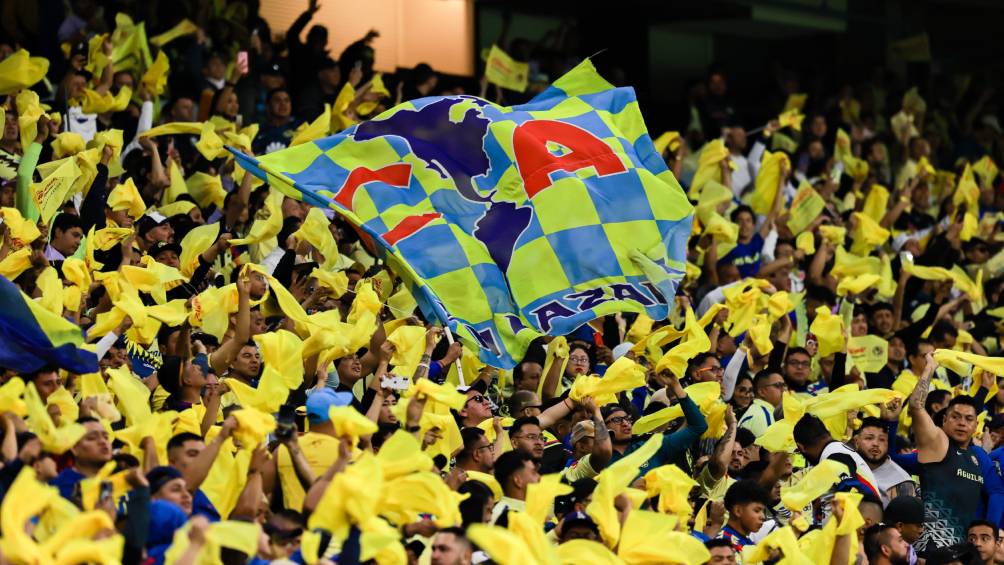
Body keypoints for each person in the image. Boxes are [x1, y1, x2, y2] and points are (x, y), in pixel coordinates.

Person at [909, 354, 1004, 550]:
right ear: (944, 420)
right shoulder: (937, 444)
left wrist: (990, 532)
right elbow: (916, 406)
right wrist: (929, 369)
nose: (962, 423)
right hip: (931, 552)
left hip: (963, 553)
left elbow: (997, 492)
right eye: (955, 417)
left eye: (969, 419)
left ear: (976, 425)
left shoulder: (978, 457)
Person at [853, 416, 916, 505]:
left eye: (882, 439)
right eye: (869, 438)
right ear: (856, 441)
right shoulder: (844, 466)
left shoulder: (900, 481)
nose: (876, 444)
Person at [717, 479, 770, 555]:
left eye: (763, 511)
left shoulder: (749, 543)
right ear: (738, 511)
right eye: (757, 511)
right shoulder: (723, 545)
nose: (763, 517)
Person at [491, 449, 540, 523]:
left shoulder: (527, 511)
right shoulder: (502, 517)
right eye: (533, 473)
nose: (539, 478)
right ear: (518, 481)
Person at [738, 370, 784, 437]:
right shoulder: (762, 416)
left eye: (784, 385)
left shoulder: (759, 411)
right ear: (761, 392)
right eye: (778, 385)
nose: (784, 390)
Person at [884, 495, 925, 564]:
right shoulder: (889, 556)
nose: (921, 530)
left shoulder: (906, 547)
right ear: (900, 526)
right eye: (918, 525)